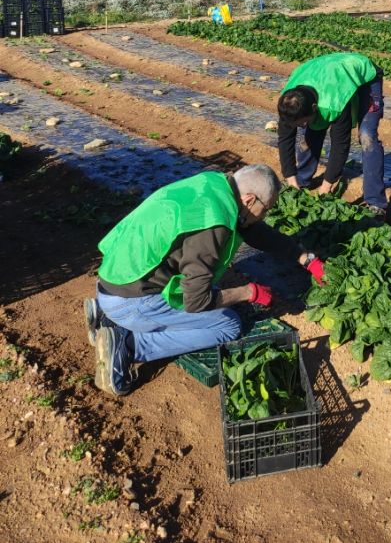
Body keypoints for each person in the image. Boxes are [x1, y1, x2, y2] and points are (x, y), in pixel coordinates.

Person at [83, 164, 325, 396]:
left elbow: (254, 230)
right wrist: (248, 292)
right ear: (250, 199)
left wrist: (304, 257)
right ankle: (128, 345)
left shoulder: (216, 186)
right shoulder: (214, 227)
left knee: (212, 287)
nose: (265, 215)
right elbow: (196, 301)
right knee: (228, 325)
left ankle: (108, 315)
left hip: (115, 278)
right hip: (131, 300)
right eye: (267, 208)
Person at [277, 51, 387, 216]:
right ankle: (302, 180)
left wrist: (326, 187)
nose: (301, 126)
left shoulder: (334, 102)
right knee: (313, 127)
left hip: (364, 76)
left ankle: (376, 202)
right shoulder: (288, 103)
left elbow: (340, 145)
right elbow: (285, 139)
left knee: (367, 134)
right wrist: (290, 179)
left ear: (315, 107)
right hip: (326, 71)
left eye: (303, 121)